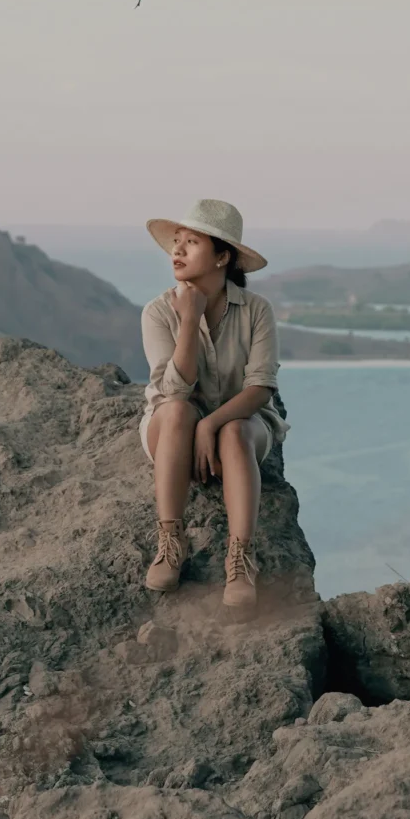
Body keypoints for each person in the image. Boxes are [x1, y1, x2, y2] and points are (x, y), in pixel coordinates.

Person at [138, 198, 289, 609]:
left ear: (223, 256)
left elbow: (260, 389)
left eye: (192, 242)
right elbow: (173, 392)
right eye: (177, 242)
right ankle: (170, 541)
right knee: (177, 412)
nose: (178, 251)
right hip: (171, 425)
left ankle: (240, 560)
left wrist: (211, 425)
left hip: (242, 421)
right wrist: (190, 319)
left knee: (235, 429)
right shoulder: (157, 312)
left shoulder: (257, 310)